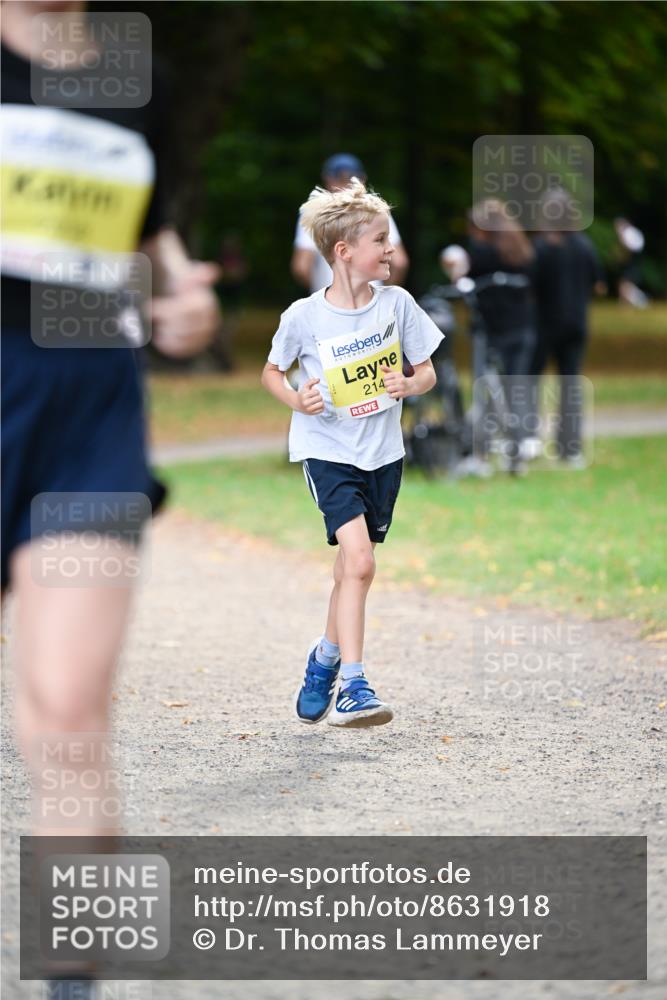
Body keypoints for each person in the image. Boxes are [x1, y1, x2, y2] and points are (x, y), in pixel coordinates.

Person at [1, 4, 220, 995]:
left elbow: (152, 235)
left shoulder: (137, 76)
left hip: (89, 416)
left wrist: (184, 298)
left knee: (69, 715)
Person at [262, 179, 442, 727]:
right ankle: (354, 687)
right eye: (381, 240)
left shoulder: (398, 304)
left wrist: (410, 386)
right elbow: (271, 371)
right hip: (328, 450)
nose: (391, 249)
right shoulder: (304, 317)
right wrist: (298, 397)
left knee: (350, 569)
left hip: (383, 453)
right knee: (361, 562)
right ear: (345, 253)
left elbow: (427, 370)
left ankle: (323, 660)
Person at [440, 199, 536, 469]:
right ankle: (519, 445)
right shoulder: (522, 251)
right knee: (516, 386)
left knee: (485, 387)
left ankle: (479, 449)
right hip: (523, 327)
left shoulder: (481, 254)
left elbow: (461, 280)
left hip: (491, 331)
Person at [528, 187, 606, 466]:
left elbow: (530, 287)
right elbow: (599, 285)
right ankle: (570, 449)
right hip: (576, 324)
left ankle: (530, 440)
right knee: (570, 384)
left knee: (531, 381)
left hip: (544, 325)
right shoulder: (584, 245)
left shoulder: (540, 247)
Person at [291, 153, 409, 292]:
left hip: (330, 304)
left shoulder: (316, 212)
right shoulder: (376, 211)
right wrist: (384, 295)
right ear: (362, 179)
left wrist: (320, 297)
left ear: (327, 179)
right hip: (371, 302)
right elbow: (400, 262)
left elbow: (301, 267)